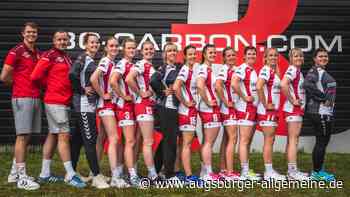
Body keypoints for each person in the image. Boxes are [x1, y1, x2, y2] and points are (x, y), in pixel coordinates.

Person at [31, 30, 86, 188]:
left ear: (68, 41)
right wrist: (49, 87)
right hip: (55, 101)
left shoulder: (66, 58)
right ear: (54, 41)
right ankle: (70, 174)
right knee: (63, 136)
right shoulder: (50, 55)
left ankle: (44, 174)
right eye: (59, 39)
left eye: (65, 39)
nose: (62, 42)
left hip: (62, 102)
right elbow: (35, 76)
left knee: (53, 135)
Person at [0, 22, 41, 190]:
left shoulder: (36, 53)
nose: (31, 34)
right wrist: (18, 86)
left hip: (35, 97)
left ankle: (14, 173)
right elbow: (4, 76)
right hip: (22, 97)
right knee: (22, 136)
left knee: (27, 136)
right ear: (23, 33)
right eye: (29, 32)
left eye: (34, 32)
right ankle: (22, 178)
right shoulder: (16, 51)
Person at [68, 33, 109, 189]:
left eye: (97, 43)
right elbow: (72, 74)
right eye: (91, 42)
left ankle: (70, 173)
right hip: (83, 106)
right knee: (91, 140)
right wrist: (81, 89)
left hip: (89, 107)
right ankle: (96, 176)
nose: (95, 45)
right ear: (85, 44)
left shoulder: (91, 60)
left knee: (78, 140)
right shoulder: (83, 58)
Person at [90, 36, 130, 188]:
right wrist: (103, 94)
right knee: (114, 139)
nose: (114, 48)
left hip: (108, 106)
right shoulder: (106, 61)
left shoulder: (112, 62)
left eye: (116, 46)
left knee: (101, 139)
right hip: (106, 106)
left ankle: (95, 173)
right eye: (111, 46)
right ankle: (115, 177)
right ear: (106, 48)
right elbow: (94, 79)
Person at [126, 41, 160, 182]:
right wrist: (140, 93)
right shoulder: (141, 64)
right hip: (143, 105)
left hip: (146, 105)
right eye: (146, 49)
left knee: (140, 141)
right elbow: (129, 79)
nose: (149, 51)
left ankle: (133, 172)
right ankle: (152, 175)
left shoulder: (149, 65)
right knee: (148, 142)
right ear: (141, 51)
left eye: (151, 49)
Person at [110, 38, 141, 187]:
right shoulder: (122, 63)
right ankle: (132, 175)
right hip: (124, 107)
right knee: (130, 141)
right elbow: (113, 81)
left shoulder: (132, 64)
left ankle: (124, 171)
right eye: (129, 48)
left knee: (128, 141)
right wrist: (123, 96)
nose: (132, 50)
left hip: (132, 107)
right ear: (123, 49)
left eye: (133, 48)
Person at [304, 48, 337, 182]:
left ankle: (318, 169)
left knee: (322, 142)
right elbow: (307, 85)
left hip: (325, 112)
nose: (323, 58)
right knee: (321, 142)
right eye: (320, 56)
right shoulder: (315, 71)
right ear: (315, 59)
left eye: (325, 56)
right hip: (320, 112)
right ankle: (317, 173)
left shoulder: (322, 72)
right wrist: (323, 99)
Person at [151, 42, 181, 181]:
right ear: (164, 54)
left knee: (166, 140)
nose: (173, 53)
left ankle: (157, 170)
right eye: (169, 51)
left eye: (174, 50)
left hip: (174, 108)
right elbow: (153, 80)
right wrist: (163, 92)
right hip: (166, 108)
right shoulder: (164, 68)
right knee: (170, 141)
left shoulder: (177, 67)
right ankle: (169, 174)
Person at [173, 45, 202, 184]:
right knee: (187, 144)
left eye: (194, 54)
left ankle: (177, 171)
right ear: (184, 56)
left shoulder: (193, 69)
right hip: (187, 112)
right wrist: (185, 102)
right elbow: (176, 87)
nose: (192, 56)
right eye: (189, 54)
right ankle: (189, 176)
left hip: (188, 112)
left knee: (182, 144)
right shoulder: (185, 70)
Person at [256, 48, 286, 180]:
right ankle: (268, 172)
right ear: (265, 57)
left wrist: (276, 67)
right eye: (271, 55)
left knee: (271, 139)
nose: (273, 57)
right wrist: (265, 104)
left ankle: (270, 170)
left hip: (273, 112)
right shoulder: (265, 70)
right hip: (266, 112)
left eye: (275, 55)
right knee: (269, 140)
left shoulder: (273, 71)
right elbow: (258, 86)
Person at [231, 46, 260, 180]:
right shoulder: (242, 68)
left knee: (247, 141)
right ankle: (244, 172)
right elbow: (234, 83)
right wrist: (244, 97)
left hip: (253, 109)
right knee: (244, 141)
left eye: (254, 54)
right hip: (245, 109)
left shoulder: (252, 70)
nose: (252, 56)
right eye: (249, 54)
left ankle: (247, 169)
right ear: (244, 56)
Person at [280, 48, 309, 180]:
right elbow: (283, 84)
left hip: (295, 110)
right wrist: (293, 100)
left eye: (301, 56)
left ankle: (291, 170)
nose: (299, 58)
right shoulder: (292, 69)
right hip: (293, 109)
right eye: (296, 56)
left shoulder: (297, 71)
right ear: (291, 59)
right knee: (293, 140)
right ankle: (292, 172)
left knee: (292, 140)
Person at [197, 44, 222, 181]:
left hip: (210, 109)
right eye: (210, 52)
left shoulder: (209, 69)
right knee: (209, 142)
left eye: (214, 52)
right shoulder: (203, 69)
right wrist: (207, 101)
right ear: (204, 55)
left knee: (206, 141)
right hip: (209, 109)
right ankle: (209, 173)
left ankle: (204, 171)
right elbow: (200, 85)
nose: (213, 54)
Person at [215, 47, 240, 180]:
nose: (231, 57)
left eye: (233, 55)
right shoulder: (224, 69)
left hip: (233, 109)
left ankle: (223, 169)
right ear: (224, 58)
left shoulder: (236, 69)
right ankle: (230, 172)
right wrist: (226, 101)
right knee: (233, 138)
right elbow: (218, 85)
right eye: (228, 55)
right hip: (228, 109)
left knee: (226, 139)